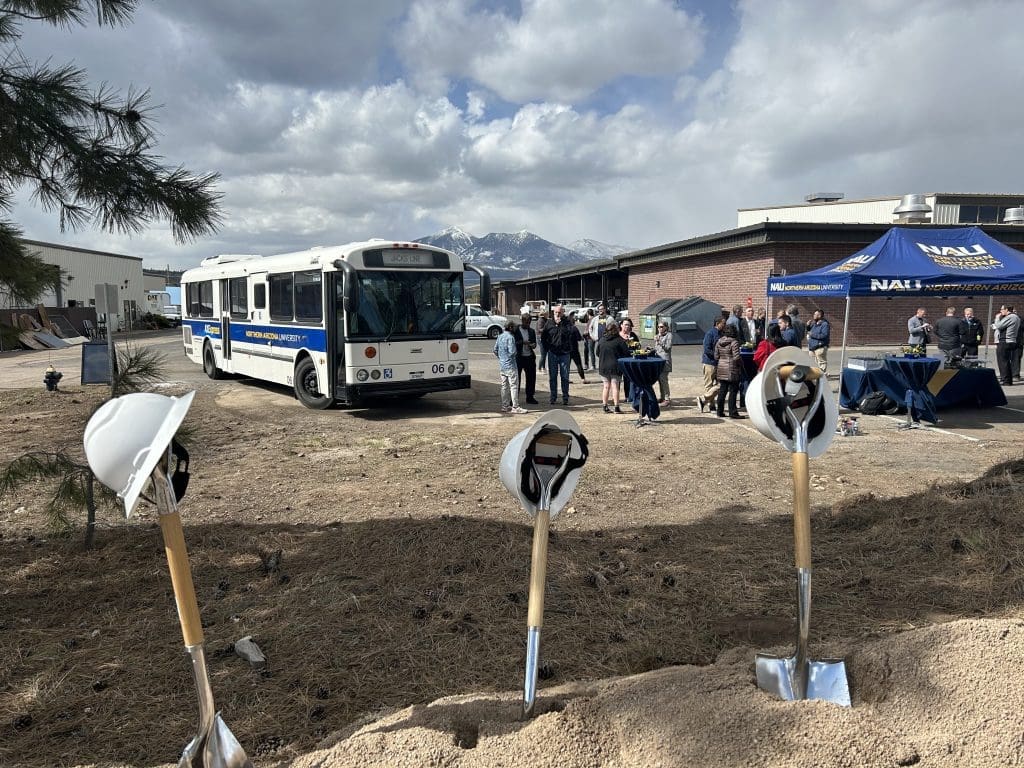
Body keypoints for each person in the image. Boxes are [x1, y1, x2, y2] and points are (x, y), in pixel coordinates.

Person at [541, 304, 574, 405]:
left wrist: (561, 325)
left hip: (564, 354)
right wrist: (547, 348)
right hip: (553, 353)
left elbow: (570, 334)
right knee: (553, 377)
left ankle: (565, 397)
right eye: (556, 312)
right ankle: (553, 397)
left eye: (560, 312)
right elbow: (544, 337)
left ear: (563, 312)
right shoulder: (549, 323)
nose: (558, 314)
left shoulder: (567, 322)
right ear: (553, 313)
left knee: (565, 376)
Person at [494, 320, 528, 414]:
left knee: (504, 386)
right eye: (514, 327)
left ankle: (505, 406)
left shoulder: (500, 336)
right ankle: (515, 406)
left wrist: (501, 358)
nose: (516, 328)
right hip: (511, 365)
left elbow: (495, 350)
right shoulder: (510, 337)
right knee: (513, 386)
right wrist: (511, 356)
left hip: (502, 365)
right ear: (510, 327)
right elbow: (512, 352)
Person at [597, 321, 630, 413]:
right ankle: (616, 407)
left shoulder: (602, 340)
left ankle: (605, 406)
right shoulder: (619, 340)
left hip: (603, 366)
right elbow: (626, 353)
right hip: (616, 366)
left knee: (606, 386)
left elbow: (597, 352)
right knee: (615, 386)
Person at [714, 324, 744, 418]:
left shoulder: (719, 341)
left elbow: (716, 356)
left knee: (722, 390)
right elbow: (736, 357)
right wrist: (741, 365)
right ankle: (733, 412)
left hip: (721, 368)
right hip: (732, 369)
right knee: (733, 391)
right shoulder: (734, 342)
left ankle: (719, 411)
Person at [698, 317, 725, 412]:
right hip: (709, 363)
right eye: (723, 323)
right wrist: (717, 355)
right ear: (717, 323)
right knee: (709, 384)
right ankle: (711, 405)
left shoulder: (722, 334)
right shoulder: (710, 333)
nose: (724, 325)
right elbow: (707, 349)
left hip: (719, 363)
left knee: (721, 384)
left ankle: (703, 398)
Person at [992, 304, 1020, 386]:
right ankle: (1008, 380)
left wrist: (997, 318)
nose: (1000, 311)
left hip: (1005, 341)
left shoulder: (1011, 317)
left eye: (1002, 309)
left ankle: (1006, 380)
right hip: (1010, 341)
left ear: (1007, 309)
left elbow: (998, 326)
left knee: (1003, 361)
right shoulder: (1016, 317)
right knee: (1007, 361)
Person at [515, 314, 539, 404]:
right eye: (526, 322)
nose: (528, 324)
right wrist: (522, 342)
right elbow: (513, 342)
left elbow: (534, 344)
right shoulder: (516, 330)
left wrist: (532, 345)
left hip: (529, 357)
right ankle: (514, 398)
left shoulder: (531, 331)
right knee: (517, 378)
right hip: (519, 357)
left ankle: (530, 396)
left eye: (529, 322)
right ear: (522, 321)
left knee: (531, 378)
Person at [653, 321, 672, 405]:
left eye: (661, 327)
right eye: (658, 327)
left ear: (666, 327)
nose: (659, 329)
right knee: (660, 380)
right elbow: (657, 349)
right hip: (658, 361)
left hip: (665, 361)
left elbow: (668, 347)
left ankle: (667, 399)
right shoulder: (658, 336)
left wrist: (659, 341)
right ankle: (662, 397)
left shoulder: (669, 335)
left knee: (664, 380)